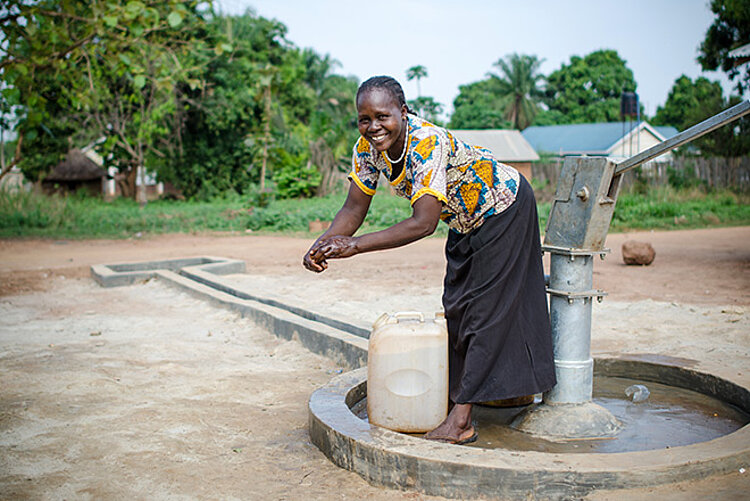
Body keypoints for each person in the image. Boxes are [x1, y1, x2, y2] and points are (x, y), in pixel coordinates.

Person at [303, 75, 556, 444]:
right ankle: (503, 393)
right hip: (463, 220)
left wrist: (354, 247)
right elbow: (354, 206)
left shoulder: (426, 143)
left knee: (485, 313)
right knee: (456, 309)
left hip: (503, 208)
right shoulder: (366, 148)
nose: (374, 127)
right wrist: (322, 244)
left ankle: (461, 422)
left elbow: (423, 223)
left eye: (383, 116)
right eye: (364, 119)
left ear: (402, 113)